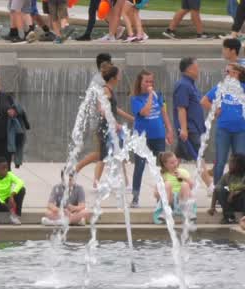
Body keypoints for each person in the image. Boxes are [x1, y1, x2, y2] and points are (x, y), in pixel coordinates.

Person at [75, 65, 130, 185]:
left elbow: (114, 108)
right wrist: (114, 123)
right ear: (113, 78)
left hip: (109, 127)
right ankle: (81, 172)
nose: (120, 78)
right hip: (105, 127)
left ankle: (124, 182)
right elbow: (102, 108)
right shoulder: (105, 90)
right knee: (102, 155)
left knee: (108, 154)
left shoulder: (109, 90)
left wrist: (130, 118)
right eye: (118, 75)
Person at [129, 70, 174, 206]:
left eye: (151, 81)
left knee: (162, 166)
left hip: (158, 136)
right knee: (139, 167)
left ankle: (163, 196)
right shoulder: (135, 98)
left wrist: (169, 130)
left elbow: (163, 113)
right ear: (140, 82)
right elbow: (145, 112)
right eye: (146, 81)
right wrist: (149, 96)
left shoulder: (158, 95)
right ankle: (135, 198)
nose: (149, 84)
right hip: (142, 137)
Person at [203, 62, 245, 187]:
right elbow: (204, 101)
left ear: (236, 73)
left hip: (241, 131)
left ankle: (239, 188)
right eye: (225, 71)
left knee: (240, 161)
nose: (225, 74)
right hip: (224, 130)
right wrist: (214, 109)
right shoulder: (221, 87)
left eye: (228, 72)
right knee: (220, 161)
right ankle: (218, 189)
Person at [173, 57, 205, 162]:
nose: (198, 70)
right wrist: (183, 129)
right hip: (190, 129)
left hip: (194, 127)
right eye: (197, 67)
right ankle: (208, 179)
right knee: (199, 158)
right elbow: (181, 108)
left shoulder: (191, 84)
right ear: (189, 69)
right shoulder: (183, 85)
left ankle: (166, 177)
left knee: (177, 157)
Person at [154, 150, 193, 222]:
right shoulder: (162, 175)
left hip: (181, 200)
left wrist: (183, 178)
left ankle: (188, 211)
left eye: (176, 161)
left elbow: (191, 186)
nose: (175, 164)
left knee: (185, 184)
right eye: (172, 163)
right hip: (169, 201)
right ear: (165, 164)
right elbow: (155, 194)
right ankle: (165, 211)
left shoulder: (183, 172)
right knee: (167, 184)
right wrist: (162, 189)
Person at [0, 158, 26, 224]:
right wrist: (5, 205)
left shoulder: (9, 175)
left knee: (22, 189)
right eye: (3, 168)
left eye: (7, 168)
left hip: (9, 201)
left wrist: (12, 195)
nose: (6, 170)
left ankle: (16, 216)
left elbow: (20, 182)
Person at [210, 153, 245, 222]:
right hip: (231, 202)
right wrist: (212, 207)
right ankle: (229, 217)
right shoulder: (227, 176)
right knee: (220, 189)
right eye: (229, 162)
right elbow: (216, 189)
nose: (229, 165)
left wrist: (233, 191)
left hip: (242, 202)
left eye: (232, 162)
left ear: (239, 165)